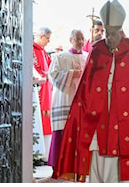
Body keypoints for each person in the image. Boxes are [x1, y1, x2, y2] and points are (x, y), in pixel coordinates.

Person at [52, 0, 129, 183]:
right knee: (97, 165)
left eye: (113, 33)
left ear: (122, 32)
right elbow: (85, 89)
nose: (109, 38)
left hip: (127, 120)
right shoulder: (97, 50)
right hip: (98, 118)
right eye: (107, 33)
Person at [47, 29, 88, 171]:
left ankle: (80, 164)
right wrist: (72, 74)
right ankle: (59, 165)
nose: (81, 42)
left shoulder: (88, 57)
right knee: (63, 130)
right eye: (77, 39)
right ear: (71, 40)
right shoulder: (60, 57)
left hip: (83, 100)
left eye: (82, 39)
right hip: (65, 98)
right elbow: (52, 75)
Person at [33, 27, 53, 162]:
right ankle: (36, 154)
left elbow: (51, 67)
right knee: (38, 120)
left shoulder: (44, 52)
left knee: (46, 121)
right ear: (40, 36)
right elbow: (34, 68)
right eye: (47, 38)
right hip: (38, 90)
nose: (48, 41)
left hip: (47, 90)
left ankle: (44, 153)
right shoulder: (32, 50)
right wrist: (42, 75)